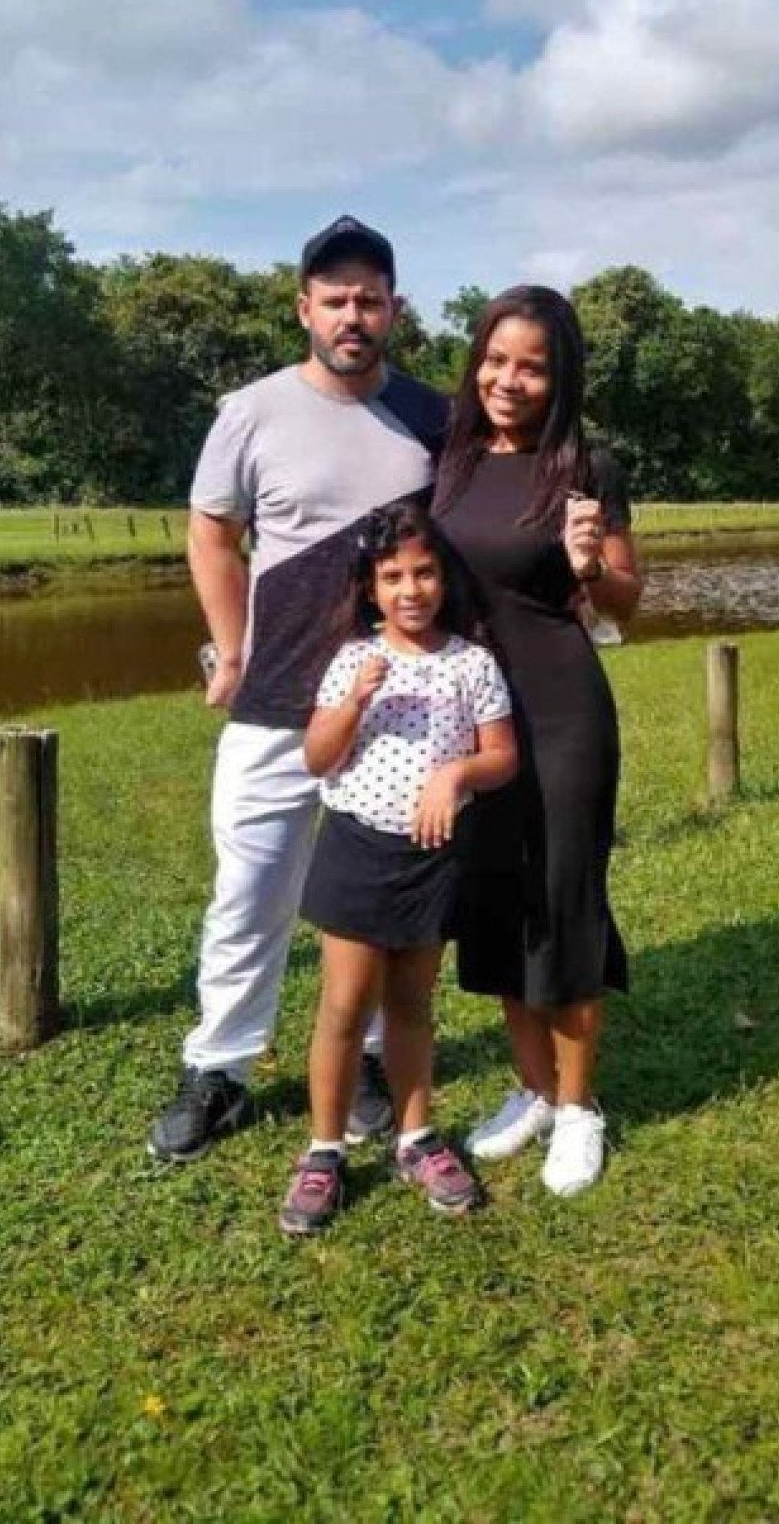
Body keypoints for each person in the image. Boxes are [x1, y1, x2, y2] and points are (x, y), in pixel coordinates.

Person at [147, 216, 449, 1163]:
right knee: (250, 889)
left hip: (398, 711)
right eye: (335, 299)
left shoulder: (435, 418)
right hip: (277, 698)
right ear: (303, 308)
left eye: (370, 299)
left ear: (394, 309)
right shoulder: (251, 411)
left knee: (378, 897)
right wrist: (229, 648)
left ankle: (368, 1058)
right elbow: (211, 530)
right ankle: (221, 1067)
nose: (353, 315)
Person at [433, 285, 643, 1198]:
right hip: (469, 717)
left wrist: (591, 568)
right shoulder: (451, 458)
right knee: (494, 900)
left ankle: (580, 1104)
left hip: (560, 710)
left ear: (561, 378)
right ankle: (533, 1090)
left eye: (532, 366)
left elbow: (631, 602)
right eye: (495, 359)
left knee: (562, 899)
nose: (507, 380)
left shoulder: (587, 465)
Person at [279, 501, 517, 1235]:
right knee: (345, 1004)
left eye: (424, 573)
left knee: (412, 1002)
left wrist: (456, 774)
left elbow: (503, 757)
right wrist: (355, 701)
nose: (411, 590)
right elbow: (318, 757)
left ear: (444, 577)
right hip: (357, 849)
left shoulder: (472, 662)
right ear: (370, 587)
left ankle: (417, 1135)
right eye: (393, 577)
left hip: (433, 856)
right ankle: (324, 1151)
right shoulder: (353, 660)